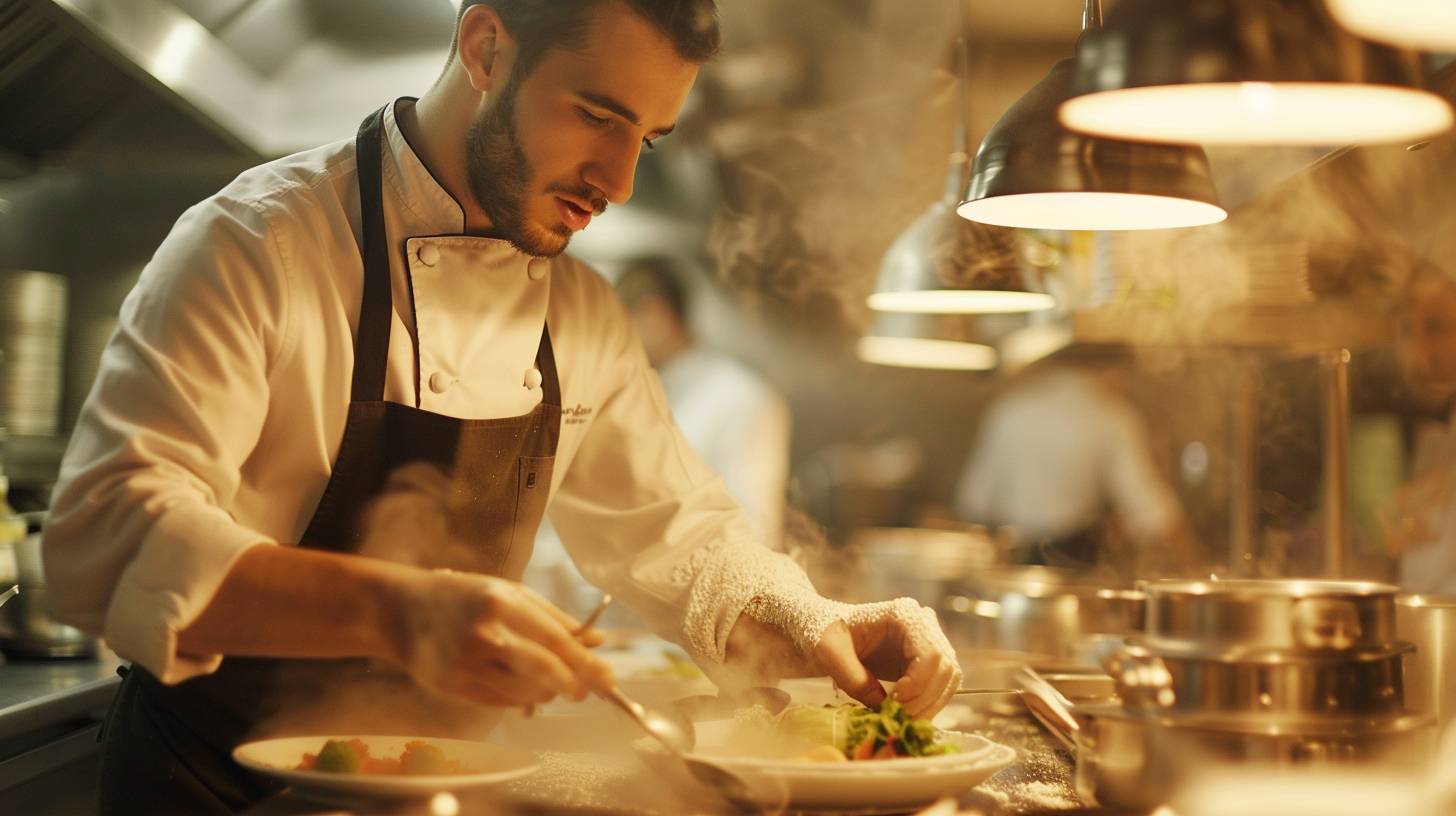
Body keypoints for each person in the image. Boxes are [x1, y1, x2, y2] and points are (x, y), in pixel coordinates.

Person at [41, 2, 961, 813]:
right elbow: (106, 532)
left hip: (442, 789)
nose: (619, 179)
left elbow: (686, 544)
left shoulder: (583, 314)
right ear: (485, 49)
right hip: (207, 790)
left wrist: (815, 622)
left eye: (646, 138)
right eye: (597, 114)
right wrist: (400, 614)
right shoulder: (258, 247)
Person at [953, 348, 1192, 571]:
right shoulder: (1109, 414)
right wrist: (1190, 562)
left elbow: (975, 502)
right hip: (1072, 566)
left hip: (1011, 567)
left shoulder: (1010, 408)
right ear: (1110, 369)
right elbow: (1148, 509)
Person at [616, 257, 792, 543]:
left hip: (713, 578)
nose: (612, 342)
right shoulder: (641, 389)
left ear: (654, 316)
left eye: (618, 326)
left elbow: (753, 523)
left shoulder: (740, 395)